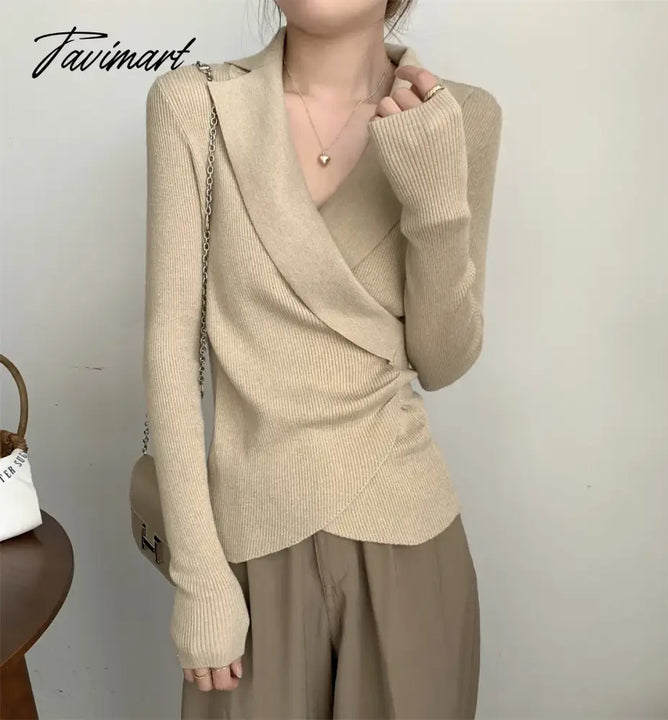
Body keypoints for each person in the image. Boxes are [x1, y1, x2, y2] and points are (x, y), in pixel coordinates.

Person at [143, 0, 502, 717]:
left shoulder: (460, 115)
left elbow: (443, 362)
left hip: (408, 534)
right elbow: (169, 355)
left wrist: (434, 204)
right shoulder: (196, 104)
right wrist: (200, 578)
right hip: (247, 544)